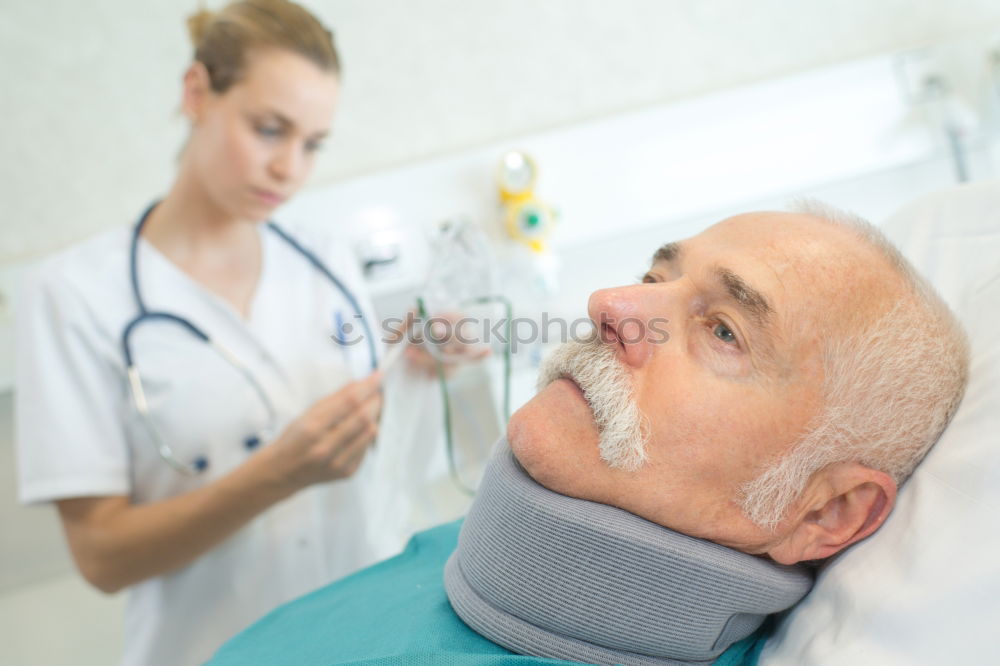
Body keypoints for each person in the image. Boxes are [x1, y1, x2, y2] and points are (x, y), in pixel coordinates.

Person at [208, 203, 969, 666]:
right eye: (654, 274)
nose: (612, 302)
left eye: (724, 330)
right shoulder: (458, 549)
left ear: (823, 513)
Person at [14, 2, 425, 665]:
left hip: (368, 637)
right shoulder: (74, 295)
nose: (290, 167)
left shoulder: (326, 259)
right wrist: (276, 475)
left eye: (313, 144)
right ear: (197, 92)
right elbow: (101, 557)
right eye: (269, 129)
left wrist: (426, 364)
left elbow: (379, 438)